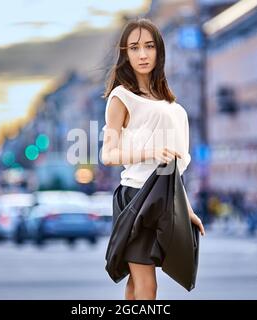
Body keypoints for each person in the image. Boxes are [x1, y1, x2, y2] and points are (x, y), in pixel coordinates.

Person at [101, 18, 205, 300]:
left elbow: (175, 166)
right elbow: (108, 154)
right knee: (147, 285)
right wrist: (150, 152)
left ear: (159, 51)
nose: (143, 54)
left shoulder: (169, 103)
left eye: (149, 46)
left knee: (138, 284)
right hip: (135, 197)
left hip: (164, 196)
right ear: (125, 53)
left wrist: (188, 209)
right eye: (134, 48)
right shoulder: (121, 97)